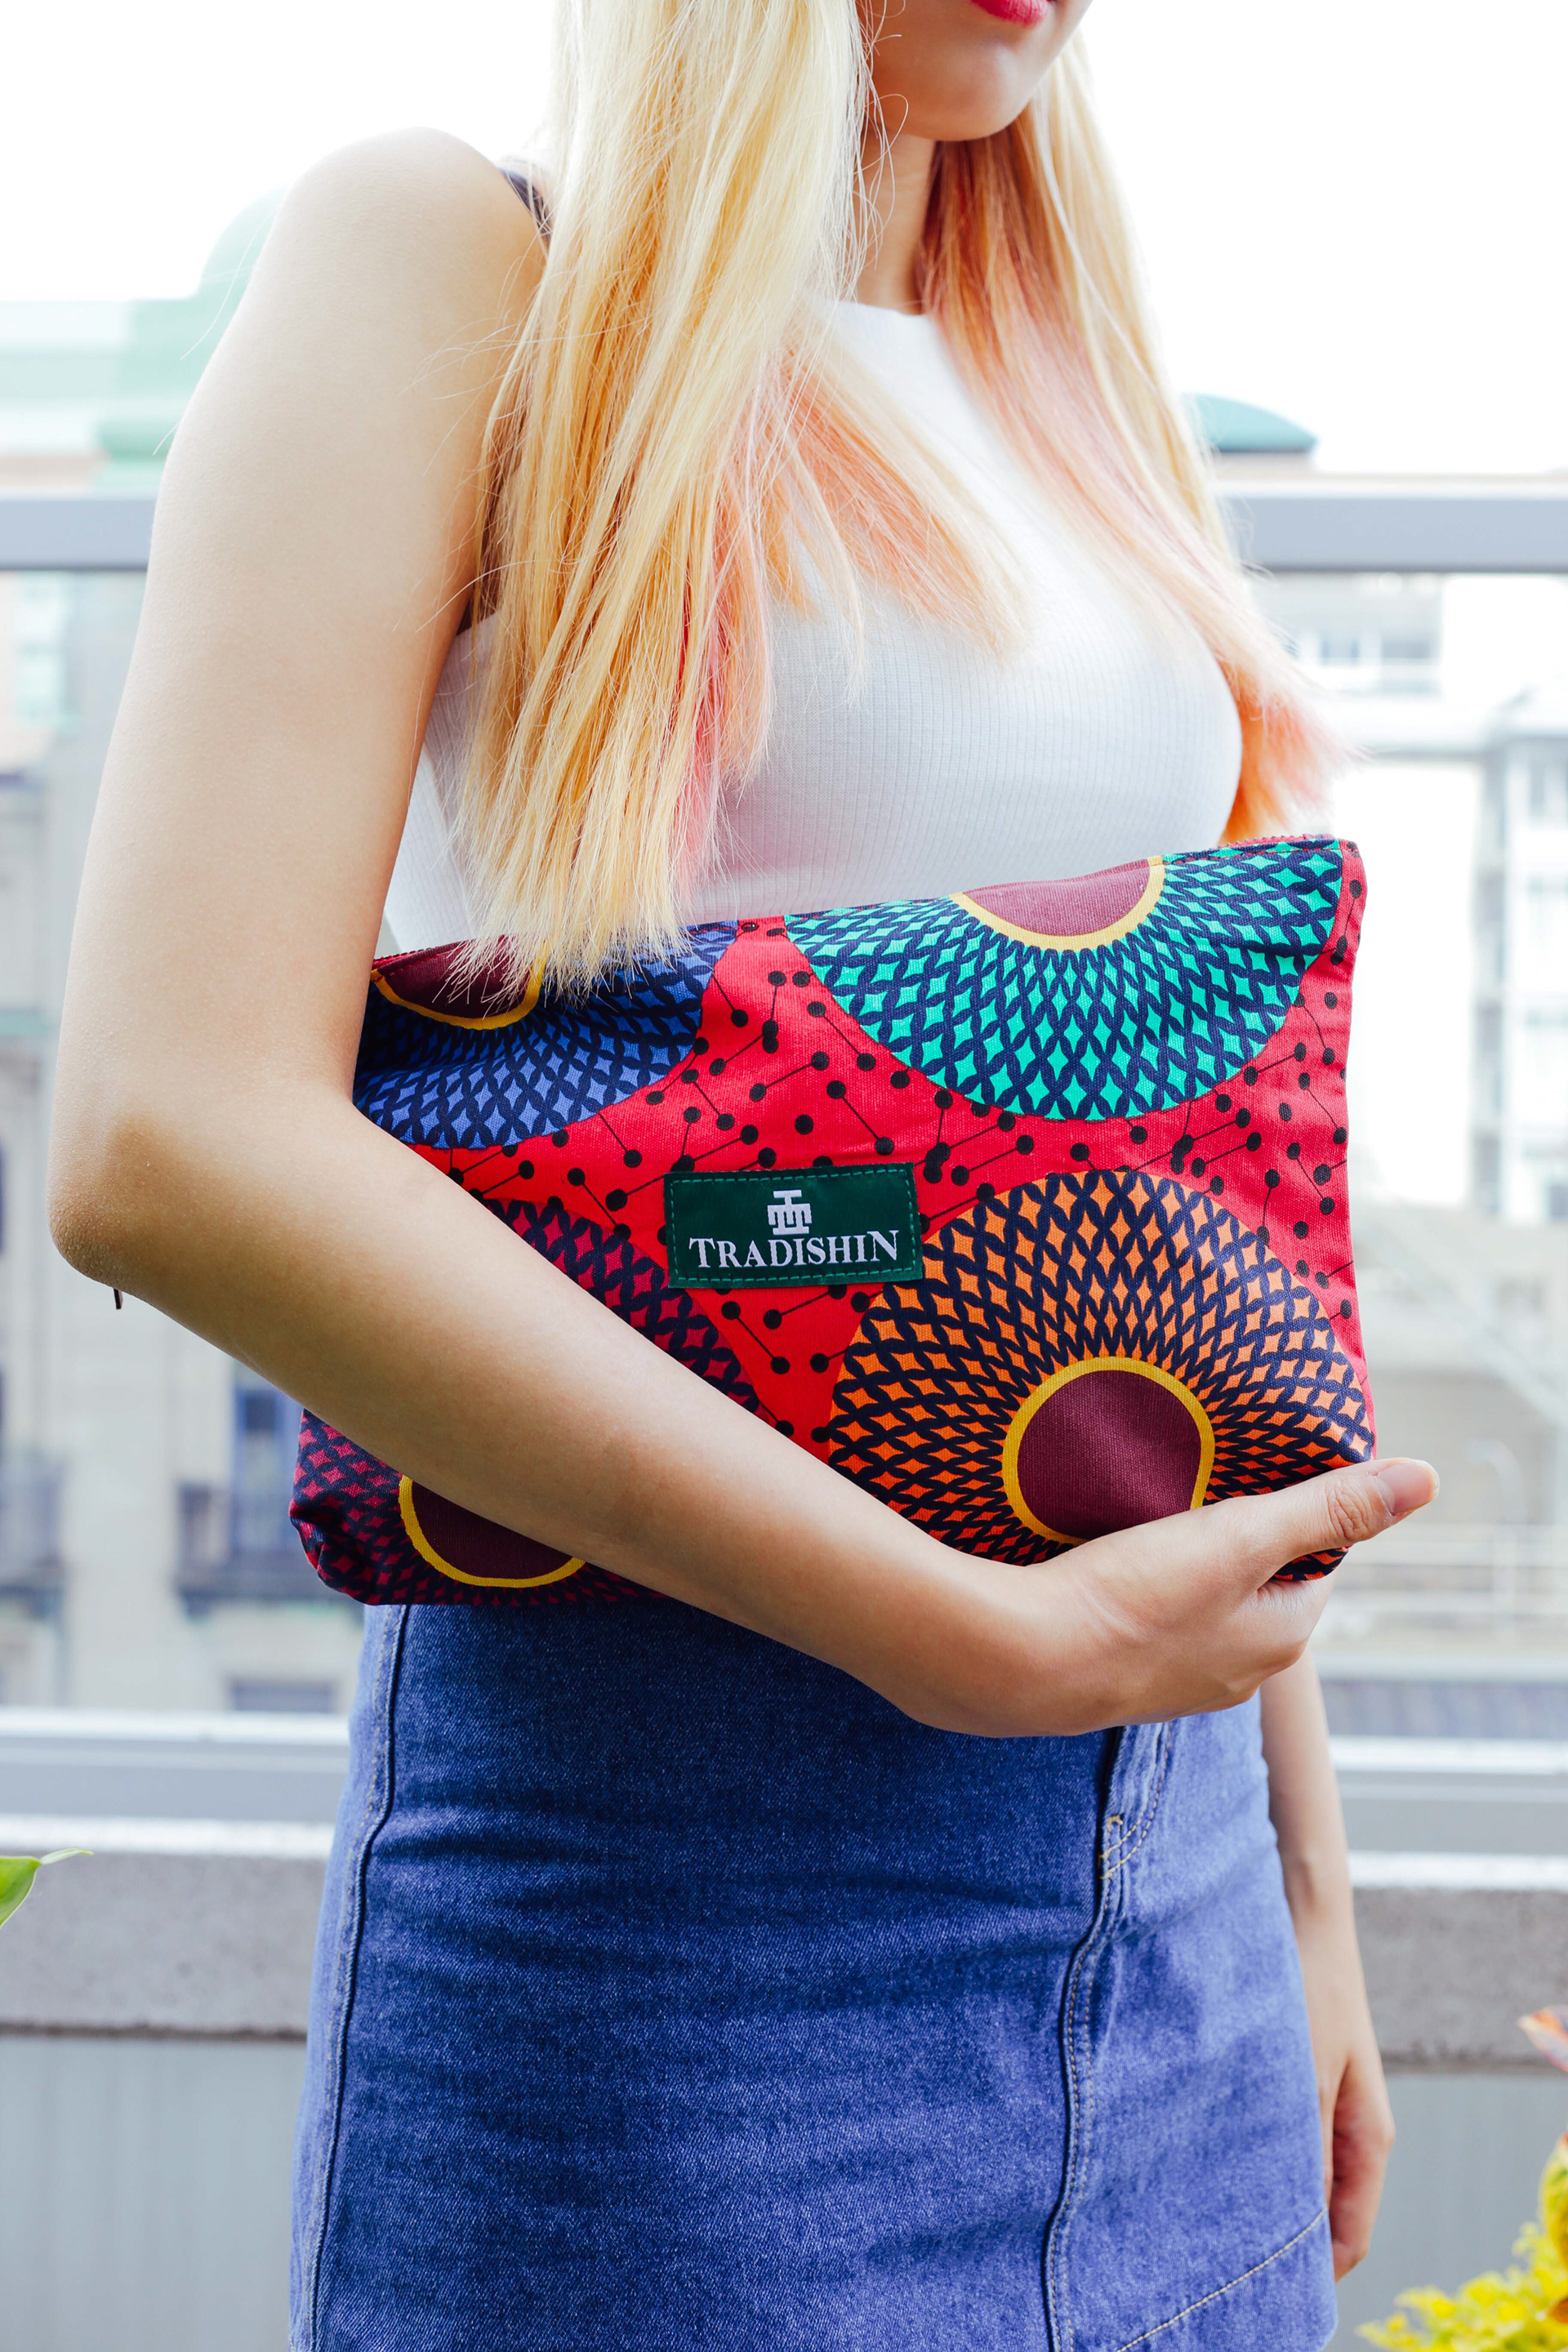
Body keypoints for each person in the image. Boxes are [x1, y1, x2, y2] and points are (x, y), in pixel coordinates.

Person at [47, 2, 1435, 2345]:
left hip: (1180, 1906)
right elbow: (163, 1136)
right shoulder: (457, 261)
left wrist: (1309, 1890)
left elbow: (1179, 1226)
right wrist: (968, 1639)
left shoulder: (1071, 381)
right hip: (672, 1903)